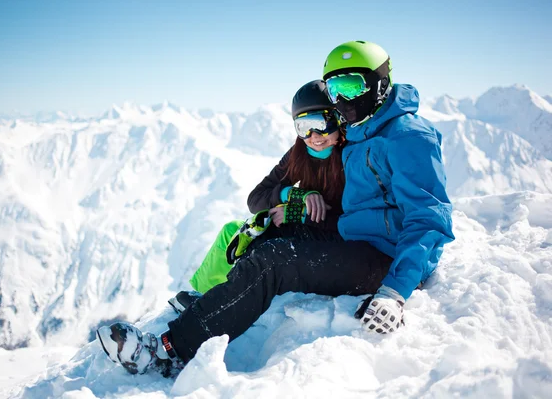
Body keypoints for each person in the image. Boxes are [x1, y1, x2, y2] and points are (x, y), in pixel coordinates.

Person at [97, 41, 455, 378]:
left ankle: (166, 351)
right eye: (335, 90)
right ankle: (215, 307)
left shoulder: (407, 136)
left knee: (276, 261)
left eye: (351, 85)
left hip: (385, 260)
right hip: (353, 239)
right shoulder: (361, 130)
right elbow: (274, 194)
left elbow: (429, 219)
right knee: (265, 234)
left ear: (379, 83)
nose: (343, 100)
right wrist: (293, 204)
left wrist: (394, 292)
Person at [182, 79, 346, 298]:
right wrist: (294, 194)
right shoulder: (298, 155)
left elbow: (354, 221)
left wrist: (297, 213)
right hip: (303, 229)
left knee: (255, 245)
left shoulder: (351, 156)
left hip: (332, 240)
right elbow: (255, 199)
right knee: (232, 231)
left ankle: (220, 300)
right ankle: (202, 296)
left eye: (320, 123)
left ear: (337, 119)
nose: (313, 136)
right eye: (303, 127)